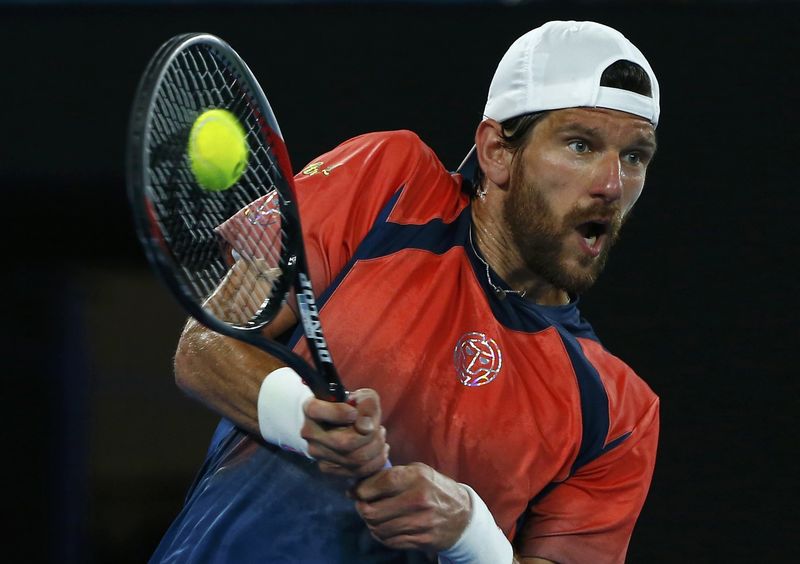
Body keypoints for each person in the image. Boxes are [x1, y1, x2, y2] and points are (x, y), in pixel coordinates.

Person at [151, 20, 660, 564]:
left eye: (634, 157)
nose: (612, 184)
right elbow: (204, 346)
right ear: (496, 152)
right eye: (581, 145)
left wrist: (472, 533)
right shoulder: (388, 184)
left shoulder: (619, 412)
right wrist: (301, 417)